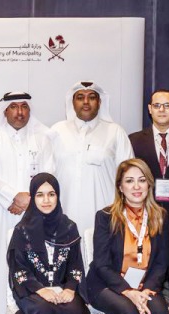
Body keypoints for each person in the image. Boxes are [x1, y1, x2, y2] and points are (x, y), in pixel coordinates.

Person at [84, 158, 169, 314]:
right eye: (129, 181)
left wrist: (145, 290)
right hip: (106, 285)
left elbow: (161, 262)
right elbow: (101, 264)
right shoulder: (105, 217)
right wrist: (129, 292)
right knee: (128, 313)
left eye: (142, 180)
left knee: (160, 313)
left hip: (145, 285)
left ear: (149, 185)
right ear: (120, 187)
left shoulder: (160, 216)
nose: (136, 186)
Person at [6, 173, 99, 314]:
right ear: (33, 198)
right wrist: (40, 290)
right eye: (39, 195)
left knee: (76, 312)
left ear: (58, 196)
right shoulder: (22, 230)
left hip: (63, 288)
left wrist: (70, 288)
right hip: (32, 292)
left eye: (51, 194)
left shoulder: (69, 227)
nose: (46, 200)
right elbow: (18, 268)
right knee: (44, 313)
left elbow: (76, 265)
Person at [0, 91, 56, 314]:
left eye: (24, 107)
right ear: (5, 110)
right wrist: (14, 196)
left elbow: (50, 172)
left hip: (36, 214)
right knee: (0, 266)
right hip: (3, 212)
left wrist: (30, 200)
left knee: (34, 267)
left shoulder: (43, 136)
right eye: (14, 107)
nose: (19, 112)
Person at [50, 81, 134, 234]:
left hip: (104, 215)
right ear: (73, 102)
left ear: (100, 102)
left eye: (92, 97)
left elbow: (129, 177)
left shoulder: (115, 132)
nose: (86, 102)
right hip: (64, 214)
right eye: (80, 97)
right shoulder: (57, 131)